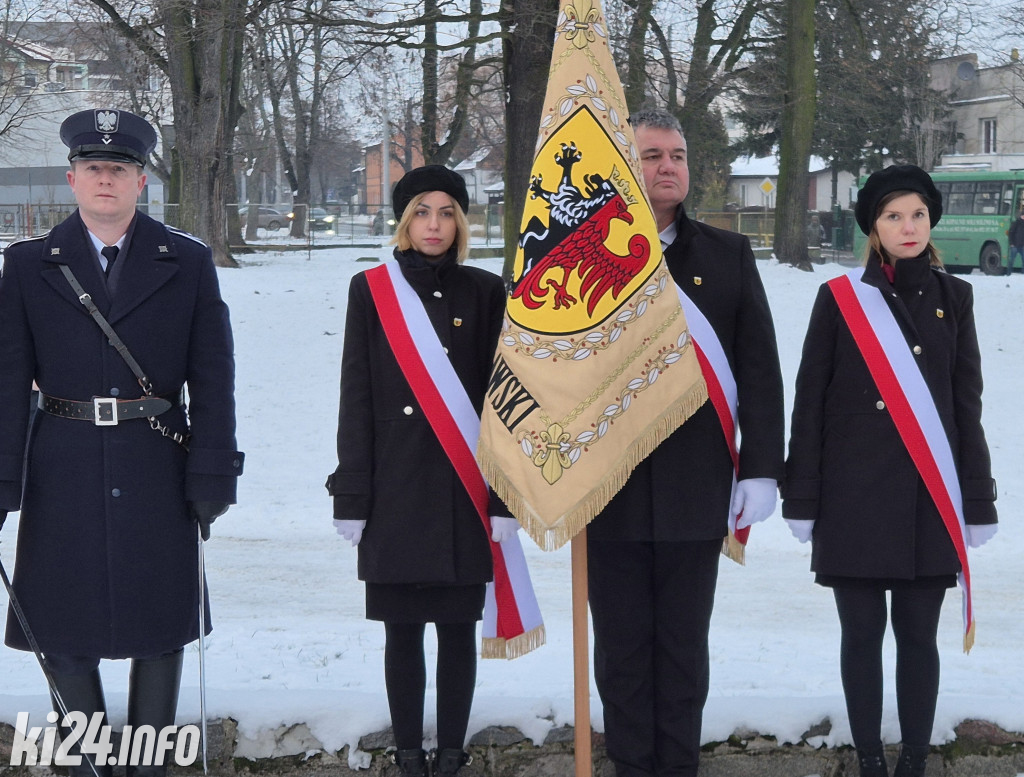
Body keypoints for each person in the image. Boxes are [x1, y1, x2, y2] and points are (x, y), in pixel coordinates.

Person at [0, 108, 243, 777]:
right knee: (61, 630)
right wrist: (1, 485)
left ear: (141, 182)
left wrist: (214, 474)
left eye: (120, 169)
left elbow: (213, 376)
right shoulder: (27, 266)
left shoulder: (187, 262)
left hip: (157, 462)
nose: (105, 180)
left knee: (160, 631)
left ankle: (150, 767)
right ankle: (86, 766)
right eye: (93, 169)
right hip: (63, 466)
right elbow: (8, 381)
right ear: (72, 179)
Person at [586, 109, 785, 777]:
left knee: (680, 648)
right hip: (607, 487)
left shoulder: (728, 255)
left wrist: (760, 468)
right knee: (619, 651)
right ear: (622, 165)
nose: (667, 165)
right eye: (650, 154)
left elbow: (759, 368)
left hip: (695, 488)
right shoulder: (583, 254)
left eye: (676, 155)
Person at [782, 165, 998, 777]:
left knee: (919, 637)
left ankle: (915, 760)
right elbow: (811, 401)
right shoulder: (841, 300)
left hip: (928, 498)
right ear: (873, 228)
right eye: (893, 216)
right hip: (852, 501)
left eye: (918, 215)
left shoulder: (956, 297)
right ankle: (871, 757)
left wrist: (977, 501)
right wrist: (803, 497)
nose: (908, 227)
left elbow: (965, 408)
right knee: (860, 636)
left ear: (932, 221)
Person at [325, 165, 519, 777]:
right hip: (394, 490)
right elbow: (355, 395)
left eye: (445, 213)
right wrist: (352, 492)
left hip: (463, 491)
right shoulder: (372, 290)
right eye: (420, 212)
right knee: (402, 631)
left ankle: (452, 755)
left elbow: (504, 402)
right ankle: (410, 756)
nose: (433, 225)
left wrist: (504, 498)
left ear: (461, 222)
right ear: (404, 220)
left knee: (459, 631)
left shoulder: (488, 292)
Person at [1006, 208, 1024, 274]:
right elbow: (1011, 233)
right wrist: (1011, 243)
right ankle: (1008, 272)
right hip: (1015, 245)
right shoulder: (1016, 223)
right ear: (1021, 216)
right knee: (1011, 260)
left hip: (1022, 246)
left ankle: (1023, 273)